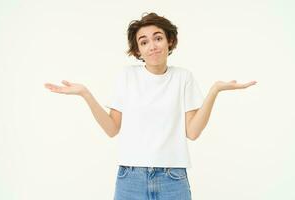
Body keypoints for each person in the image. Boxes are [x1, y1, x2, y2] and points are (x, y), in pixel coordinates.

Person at [44, 12, 256, 200]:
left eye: (158, 38)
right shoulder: (127, 76)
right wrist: (85, 94)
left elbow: (192, 132)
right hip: (130, 178)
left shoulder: (183, 77)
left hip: (173, 178)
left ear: (169, 41)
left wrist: (215, 91)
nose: (152, 46)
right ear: (138, 50)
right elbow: (111, 128)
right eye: (144, 42)